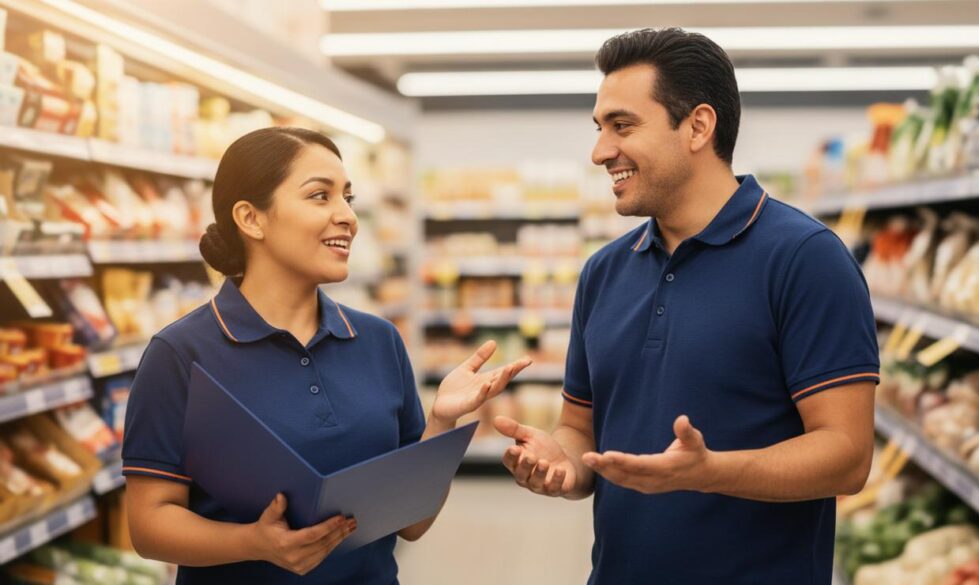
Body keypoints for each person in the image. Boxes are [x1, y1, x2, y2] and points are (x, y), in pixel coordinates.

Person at [494, 28, 878, 584]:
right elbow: (581, 429)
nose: (601, 151)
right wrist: (562, 464)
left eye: (622, 126)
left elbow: (847, 455)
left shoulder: (805, 258)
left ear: (698, 126)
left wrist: (710, 472)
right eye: (600, 128)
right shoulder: (604, 272)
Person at [122, 126, 531, 584]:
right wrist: (252, 544)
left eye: (348, 198)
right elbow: (148, 524)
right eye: (320, 196)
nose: (348, 218)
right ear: (251, 218)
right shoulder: (180, 353)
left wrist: (441, 423)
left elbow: (411, 525)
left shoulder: (378, 341)